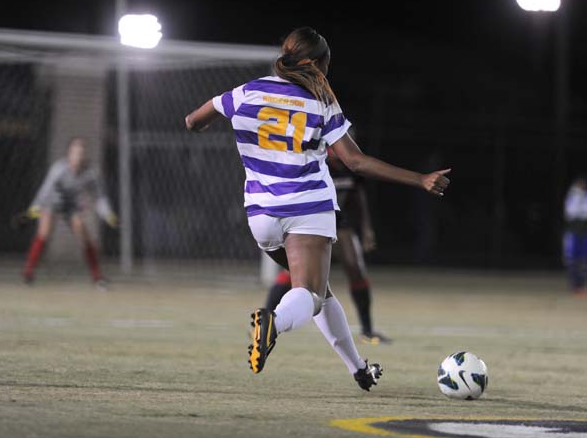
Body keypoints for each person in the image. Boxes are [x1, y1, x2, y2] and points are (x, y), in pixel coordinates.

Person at [185, 27, 450, 392]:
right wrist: (418, 179)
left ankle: (358, 368)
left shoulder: (247, 92)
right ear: (317, 65)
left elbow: (193, 121)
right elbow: (354, 162)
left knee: (319, 291)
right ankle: (274, 322)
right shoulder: (320, 100)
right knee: (308, 295)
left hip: (261, 215)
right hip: (308, 207)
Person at [264, 143, 391, 344]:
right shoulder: (316, 163)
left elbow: (359, 197)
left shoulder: (352, 166)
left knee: (356, 268)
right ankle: (266, 321)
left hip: (342, 225)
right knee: (294, 274)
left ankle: (367, 330)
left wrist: (366, 229)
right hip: (314, 222)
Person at [20, 137, 117, 288]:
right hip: (52, 200)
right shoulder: (59, 168)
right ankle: (28, 272)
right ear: (69, 154)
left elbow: (99, 196)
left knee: (84, 235)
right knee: (44, 232)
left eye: (81, 153)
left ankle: (98, 278)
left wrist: (108, 215)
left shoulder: (90, 172)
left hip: (70, 204)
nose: (78, 156)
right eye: (75, 152)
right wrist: (36, 207)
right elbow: (46, 189)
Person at [564, 176, 587, 296]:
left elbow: (584, 214)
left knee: (583, 260)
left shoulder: (585, 198)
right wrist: (577, 198)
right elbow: (570, 213)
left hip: (584, 233)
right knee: (573, 260)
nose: (581, 187)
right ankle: (574, 285)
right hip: (573, 233)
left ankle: (581, 286)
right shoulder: (572, 197)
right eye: (579, 185)